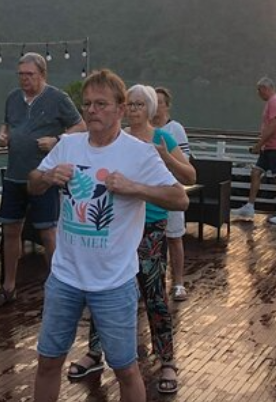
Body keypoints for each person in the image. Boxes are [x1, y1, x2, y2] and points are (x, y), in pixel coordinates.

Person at [29, 69, 188, 402]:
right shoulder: (68, 144)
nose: (92, 110)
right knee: (48, 361)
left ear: (120, 108)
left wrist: (135, 187)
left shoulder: (139, 152)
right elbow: (33, 182)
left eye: (101, 104)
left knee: (126, 369)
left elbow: (180, 197)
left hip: (114, 282)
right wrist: (47, 177)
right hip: (65, 277)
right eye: (87, 104)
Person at [68, 84, 195, 394]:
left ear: (150, 108)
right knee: (102, 288)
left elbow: (190, 176)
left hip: (150, 227)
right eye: (131, 104)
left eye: (141, 104)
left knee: (154, 295)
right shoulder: (116, 138)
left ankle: (166, 360)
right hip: (115, 227)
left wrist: (166, 158)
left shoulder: (162, 137)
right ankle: (95, 352)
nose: (135, 109)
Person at [0, 52, 86, 310]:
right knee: (10, 230)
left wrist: (57, 140)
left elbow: (80, 127)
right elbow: (7, 124)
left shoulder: (58, 98)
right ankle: (8, 287)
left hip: (44, 175)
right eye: (21, 74)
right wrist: (2, 134)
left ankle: (58, 289)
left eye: (29, 74)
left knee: (47, 233)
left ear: (42, 74)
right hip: (14, 176)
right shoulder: (13, 98)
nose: (24, 79)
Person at [232, 77, 276, 225]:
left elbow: (273, 126)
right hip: (269, 146)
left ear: (266, 88)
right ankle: (250, 206)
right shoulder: (274, 101)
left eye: (259, 90)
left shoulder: (274, 102)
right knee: (256, 172)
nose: (258, 93)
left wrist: (259, 145)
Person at [152, 86, 191, 301]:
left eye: (159, 102)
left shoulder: (175, 129)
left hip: (171, 188)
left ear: (167, 105)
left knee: (174, 237)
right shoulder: (144, 129)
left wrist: (166, 158)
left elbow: (185, 162)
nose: (155, 106)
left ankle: (178, 283)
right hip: (150, 193)